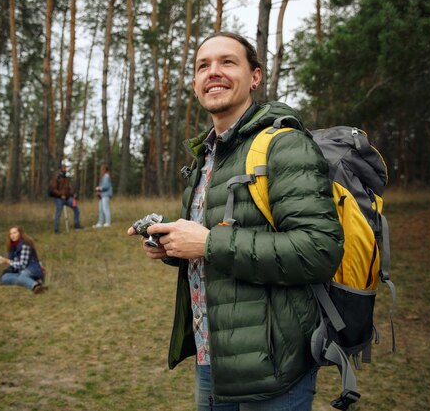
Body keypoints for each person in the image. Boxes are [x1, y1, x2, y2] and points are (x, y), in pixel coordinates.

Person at [127, 32, 344, 411]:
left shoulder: (284, 144)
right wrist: (173, 242)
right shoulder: (205, 156)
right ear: (195, 83)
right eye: (202, 66)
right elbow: (219, 241)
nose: (214, 72)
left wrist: (208, 243)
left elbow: (320, 250)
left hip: (275, 367)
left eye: (227, 62)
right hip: (214, 359)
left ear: (255, 76)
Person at [0, 226, 46, 294]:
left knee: (22, 276)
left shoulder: (25, 245)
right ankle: (32, 281)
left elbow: (22, 265)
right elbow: (14, 261)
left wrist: (7, 261)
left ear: (20, 233)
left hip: (32, 269)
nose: (12, 235)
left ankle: (35, 286)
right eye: (10, 234)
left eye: (15, 233)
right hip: (21, 271)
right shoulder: (12, 246)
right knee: (5, 277)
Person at [50, 164, 83, 233]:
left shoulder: (66, 178)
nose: (65, 169)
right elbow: (53, 189)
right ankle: (56, 229)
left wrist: (72, 195)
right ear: (60, 169)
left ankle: (77, 224)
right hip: (59, 198)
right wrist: (60, 195)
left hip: (67, 198)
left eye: (66, 168)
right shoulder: (56, 178)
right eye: (64, 168)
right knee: (58, 213)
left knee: (76, 208)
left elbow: (68, 189)